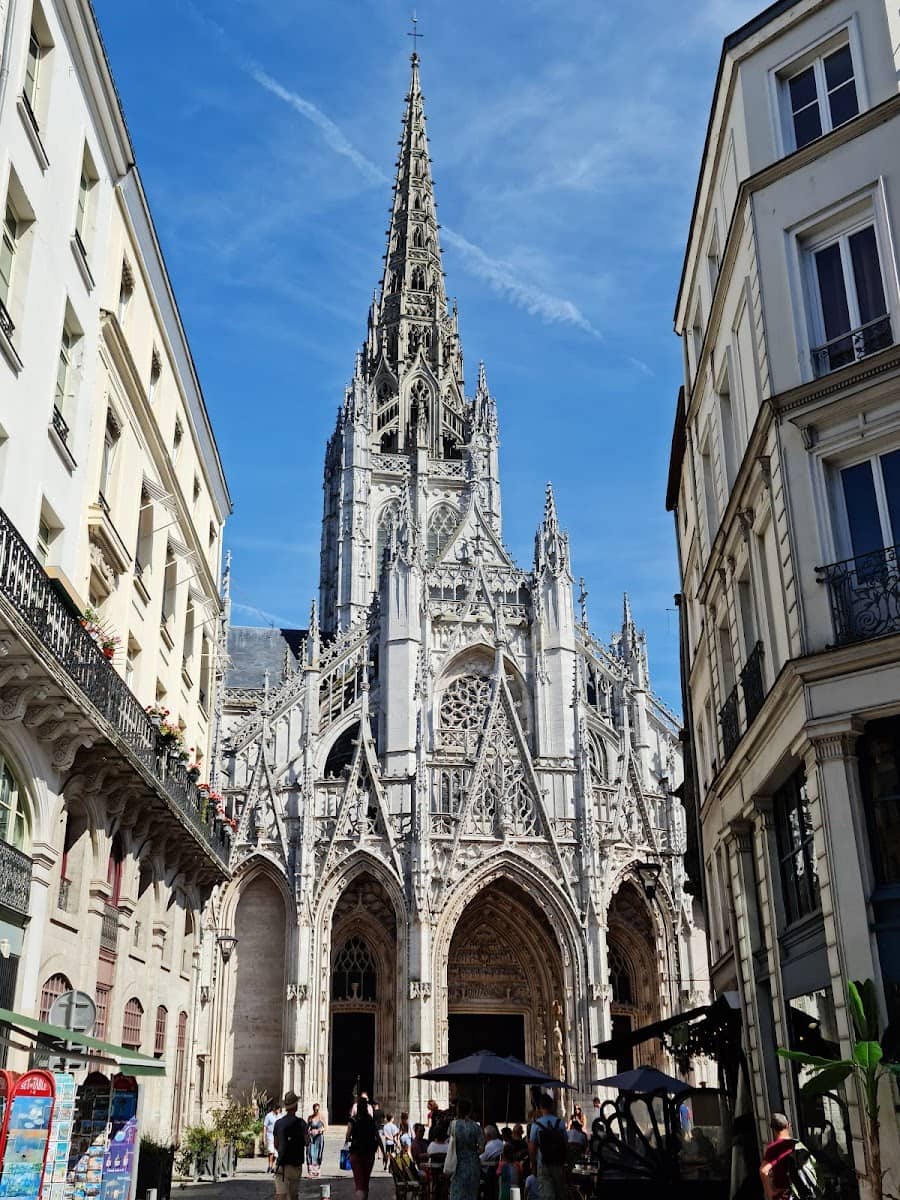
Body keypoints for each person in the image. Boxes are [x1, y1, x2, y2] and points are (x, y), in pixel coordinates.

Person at [760, 1113, 819, 1200]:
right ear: (788, 1125)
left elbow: (763, 1171)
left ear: (773, 1129)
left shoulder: (774, 1148)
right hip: (802, 1194)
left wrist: (770, 1193)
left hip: (785, 1196)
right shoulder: (798, 1144)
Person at [528, 1094, 568, 1200]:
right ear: (552, 1106)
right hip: (559, 1163)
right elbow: (566, 1143)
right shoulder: (560, 1123)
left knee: (546, 1195)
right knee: (560, 1193)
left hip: (543, 1164)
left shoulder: (536, 1125)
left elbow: (532, 1148)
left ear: (541, 1107)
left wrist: (533, 1164)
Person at [346, 1093, 384, 1200]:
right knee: (365, 1182)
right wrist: (384, 1153)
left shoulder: (353, 1120)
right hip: (369, 1153)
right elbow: (378, 1137)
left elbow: (347, 1136)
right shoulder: (370, 1120)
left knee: (359, 1184)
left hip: (356, 1153)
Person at [273, 1092, 308, 1200]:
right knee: (293, 1196)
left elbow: (276, 1144)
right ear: (296, 1106)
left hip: (282, 1165)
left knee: (281, 1195)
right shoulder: (302, 1123)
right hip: (295, 1165)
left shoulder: (278, 1123)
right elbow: (307, 1142)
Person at [449, 1098, 484, 1200]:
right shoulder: (476, 1127)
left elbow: (450, 1144)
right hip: (473, 1163)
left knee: (457, 1192)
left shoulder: (453, 1125)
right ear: (470, 1110)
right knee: (471, 1193)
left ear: (458, 1110)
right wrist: (473, 1152)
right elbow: (482, 1148)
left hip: (458, 1163)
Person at [306, 1103, 326, 1177]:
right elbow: (307, 1127)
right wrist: (309, 1131)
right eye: (315, 1109)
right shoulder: (310, 1118)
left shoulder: (321, 1117)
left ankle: (317, 1170)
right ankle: (310, 1170)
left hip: (319, 1137)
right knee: (310, 1152)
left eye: (317, 1109)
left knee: (318, 1153)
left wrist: (319, 1130)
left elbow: (325, 1127)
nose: (316, 1111)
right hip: (311, 1137)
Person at [263, 1101, 280, 1174]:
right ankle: (269, 1166)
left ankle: (272, 1166)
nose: (279, 1111)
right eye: (278, 1109)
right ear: (274, 1109)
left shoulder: (280, 1116)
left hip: (278, 1136)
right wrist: (263, 1137)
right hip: (270, 1135)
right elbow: (265, 1127)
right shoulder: (268, 1116)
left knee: (276, 1153)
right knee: (271, 1151)